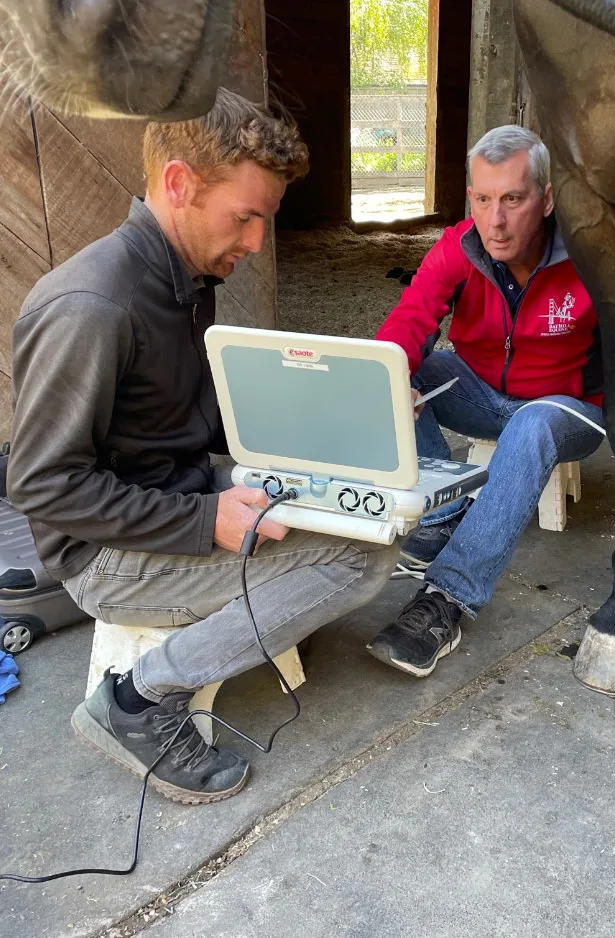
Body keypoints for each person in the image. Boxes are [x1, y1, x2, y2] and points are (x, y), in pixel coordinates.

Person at [7, 89, 399, 805]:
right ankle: (136, 702)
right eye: (245, 217)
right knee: (362, 558)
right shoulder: (92, 306)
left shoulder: (188, 274)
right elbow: (39, 484)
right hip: (105, 556)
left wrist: (340, 421)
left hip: (175, 497)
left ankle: (265, 610)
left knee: (365, 512)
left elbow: (198, 414)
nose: (254, 244)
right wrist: (204, 522)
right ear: (180, 184)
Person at [367, 125, 604, 678]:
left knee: (533, 424)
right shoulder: (460, 245)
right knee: (398, 370)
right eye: (482, 199)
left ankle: (447, 599)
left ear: (546, 200)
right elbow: (411, 317)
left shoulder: (590, 256)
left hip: (567, 408)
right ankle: (444, 518)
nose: (494, 221)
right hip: (480, 388)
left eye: (513, 200)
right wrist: (392, 373)